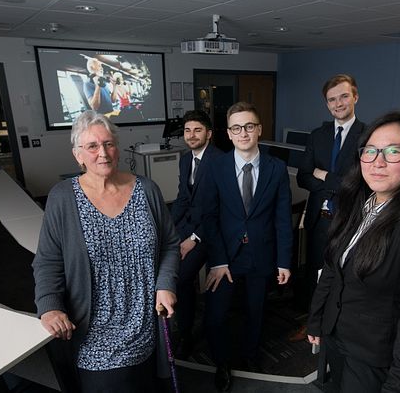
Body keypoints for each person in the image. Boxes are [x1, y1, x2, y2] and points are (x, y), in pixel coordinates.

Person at [32, 111, 179, 392]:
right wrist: (49, 307)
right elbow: (48, 261)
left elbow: (170, 244)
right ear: (78, 155)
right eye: (92, 146)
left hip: (145, 322)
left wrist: (165, 285)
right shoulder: (62, 197)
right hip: (93, 330)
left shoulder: (147, 189)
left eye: (109, 143)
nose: (103, 152)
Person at [307, 112, 400, 392]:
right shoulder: (358, 202)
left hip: (370, 353)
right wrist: (317, 319)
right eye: (370, 151)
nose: (378, 162)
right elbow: (333, 267)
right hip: (336, 335)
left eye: (393, 151)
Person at [201, 102, 293, 392]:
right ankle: (222, 363)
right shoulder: (215, 166)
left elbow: (282, 218)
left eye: (249, 126)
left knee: (257, 312)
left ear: (259, 129)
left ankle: (251, 356)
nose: (243, 133)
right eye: (237, 128)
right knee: (216, 315)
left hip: (262, 255)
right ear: (228, 133)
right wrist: (217, 260)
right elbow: (208, 217)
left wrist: (284, 261)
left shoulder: (277, 169)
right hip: (224, 256)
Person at [291, 73, 365, 342]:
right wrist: (336, 181)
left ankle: (336, 325)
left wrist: (323, 176)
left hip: (349, 219)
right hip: (318, 218)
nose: (338, 103)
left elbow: (359, 184)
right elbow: (302, 176)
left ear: (355, 96)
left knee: (343, 273)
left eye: (344, 96)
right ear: (327, 104)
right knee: (313, 272)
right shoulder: (318, 135)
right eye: (332, 99)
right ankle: (312, 324)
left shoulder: (367, 136)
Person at [170, 110, 223, 359]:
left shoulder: (220, 161)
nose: (191, 135)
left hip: (208, 231)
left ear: (209, 134)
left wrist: (193, 239)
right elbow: (183, 197)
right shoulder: (184, 159)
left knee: (180, 278)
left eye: (197, 130)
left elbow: (222, 208)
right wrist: (168, 228)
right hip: (187, 224)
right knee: (165, 260)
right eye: (187, 130)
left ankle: (185, 334)